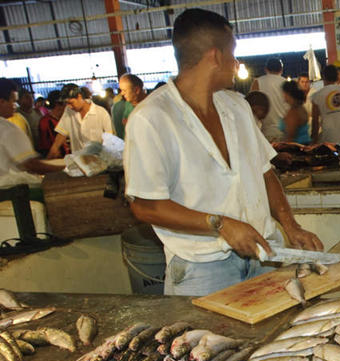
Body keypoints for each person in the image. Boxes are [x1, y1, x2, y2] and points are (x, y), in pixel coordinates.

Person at [124, 9, 322, 296]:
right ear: (215, 56)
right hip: (201, 270)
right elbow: (145, 206)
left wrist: (291, 226)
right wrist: (219, 224)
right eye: (233, 53)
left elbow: (265, 173)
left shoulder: (237, 106)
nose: (236, 62)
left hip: (262, 255)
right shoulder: (152, 118)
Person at [0, 79, 64, 181]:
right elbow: (31, 165)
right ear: (2, 102)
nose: (16, 106)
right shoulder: (7, 129)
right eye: (14, 101)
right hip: (12, 189)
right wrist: (66, 168)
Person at [47, 84, 113, 157]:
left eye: (71, 103)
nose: (69, 106)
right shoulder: (69, 111)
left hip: (98, 160)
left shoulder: (101, 113)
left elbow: (109, 138)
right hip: (78, 160)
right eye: (66, 103)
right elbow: (62, 133)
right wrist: (53, 151)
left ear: (79, 97)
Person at [250, 57, 288, 142]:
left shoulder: (257, 82)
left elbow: (251, 107)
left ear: (266, 69)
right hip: (286, 131)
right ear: (281, 70)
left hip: (265, 131)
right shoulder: (287, 83)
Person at [112, 73, 147, 138]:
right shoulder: (124, 106)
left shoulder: (150, 104)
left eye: (124, 90)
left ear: (137, 90)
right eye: (121, 90)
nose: (122, 93)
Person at [280, 80, 310, 145]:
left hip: (295, 148)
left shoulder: (293, 112)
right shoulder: (301, 108)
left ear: (288, 94)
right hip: (304, 144)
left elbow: (290, 136)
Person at [38, 91, 68, 156]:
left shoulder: (63, 119)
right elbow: (46, 145)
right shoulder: (46, 122)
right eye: (65, 104)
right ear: (58, 105)